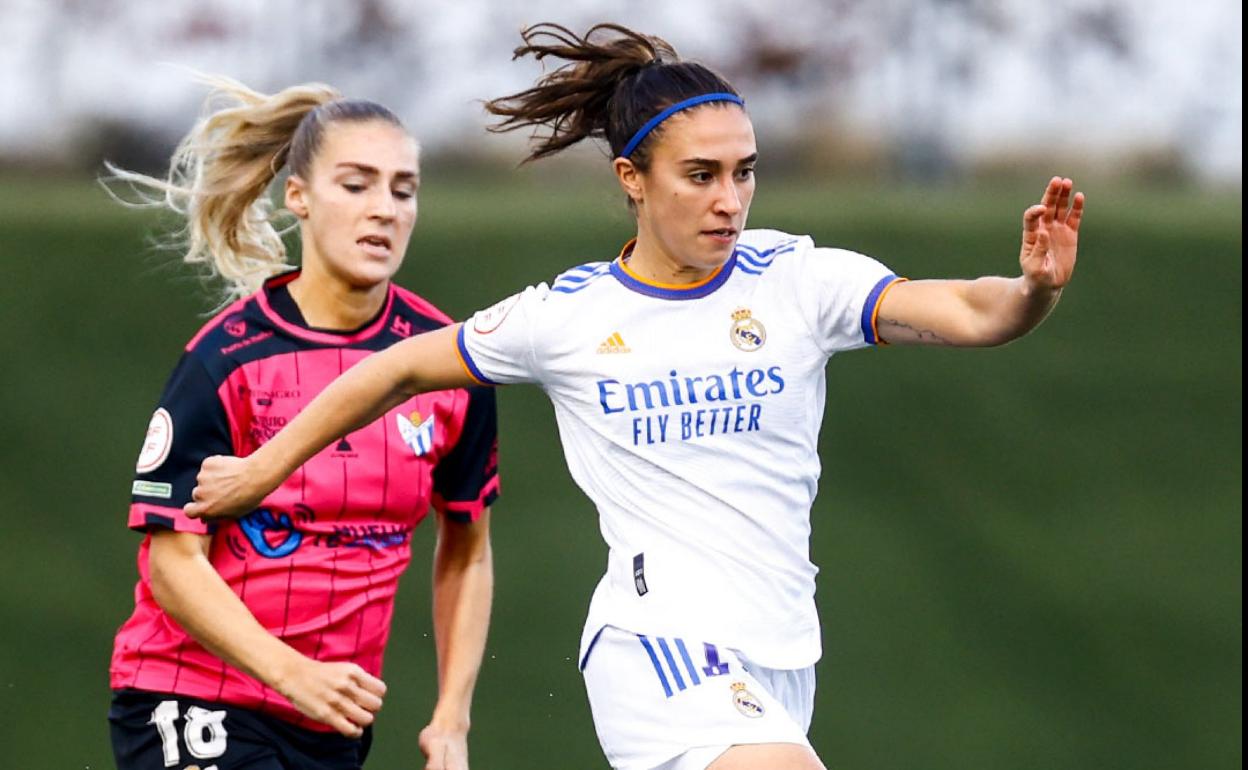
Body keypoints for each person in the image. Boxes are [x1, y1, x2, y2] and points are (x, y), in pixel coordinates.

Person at [184, 23, 1085, 770]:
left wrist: (1035, 288)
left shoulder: (800, 279)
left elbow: (973, 310)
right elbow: (396, 367)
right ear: (632, 180)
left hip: (780, 655)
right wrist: (263, 469)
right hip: (657, 648)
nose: (730, 199)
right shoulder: (569, 317)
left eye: (745, 171)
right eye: (702, 175)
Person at [107, 76, 499, 770]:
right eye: (356, 185)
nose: (383, 209)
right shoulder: (223, 360)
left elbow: (466, 548)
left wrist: (452, 720)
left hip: (330, 721)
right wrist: (291, 673)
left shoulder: (447, 362)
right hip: (192, 697)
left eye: (402, 190)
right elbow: (170, 562)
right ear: (299, 197)